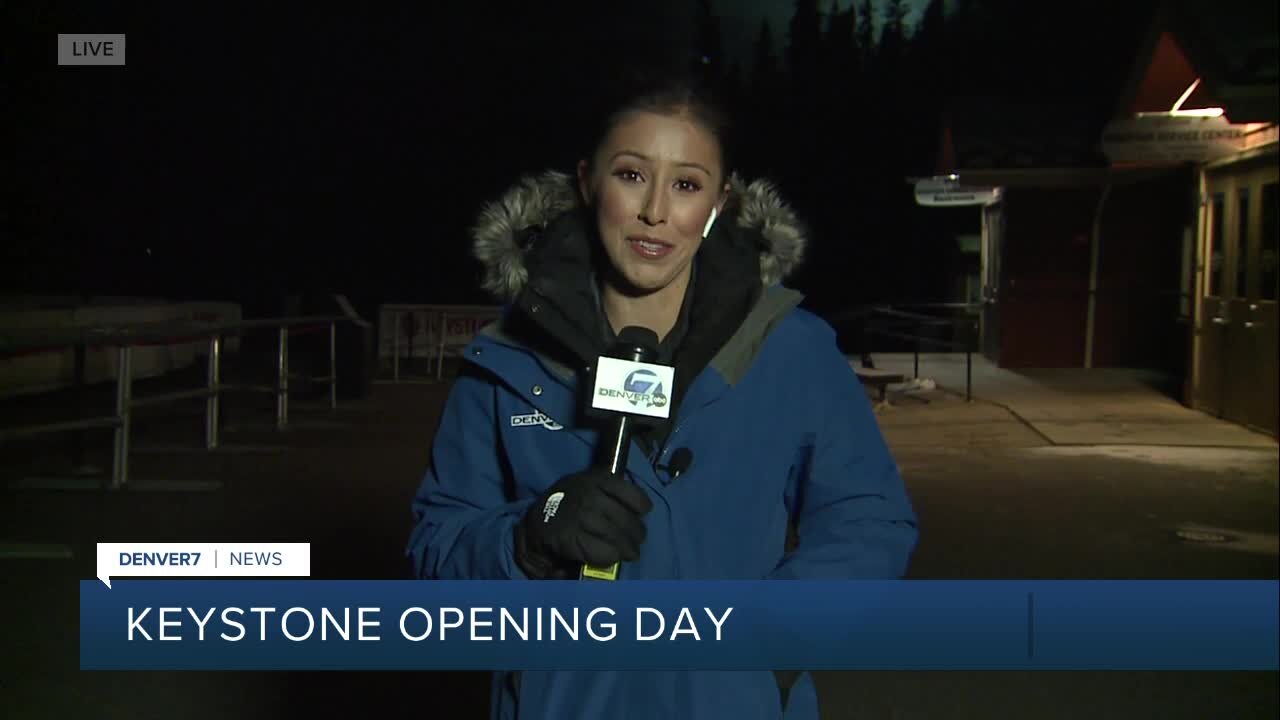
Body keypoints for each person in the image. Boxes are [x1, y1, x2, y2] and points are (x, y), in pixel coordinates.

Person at [406, 75, 918, 720]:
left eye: (685, 184)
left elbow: (869, 520)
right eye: (630, 175)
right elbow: (436, 546)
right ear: (589, 182)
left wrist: (770, 644)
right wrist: (528, 540)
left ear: (718, 203)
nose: (654, 211)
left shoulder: (792, 350)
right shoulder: (506, 359)